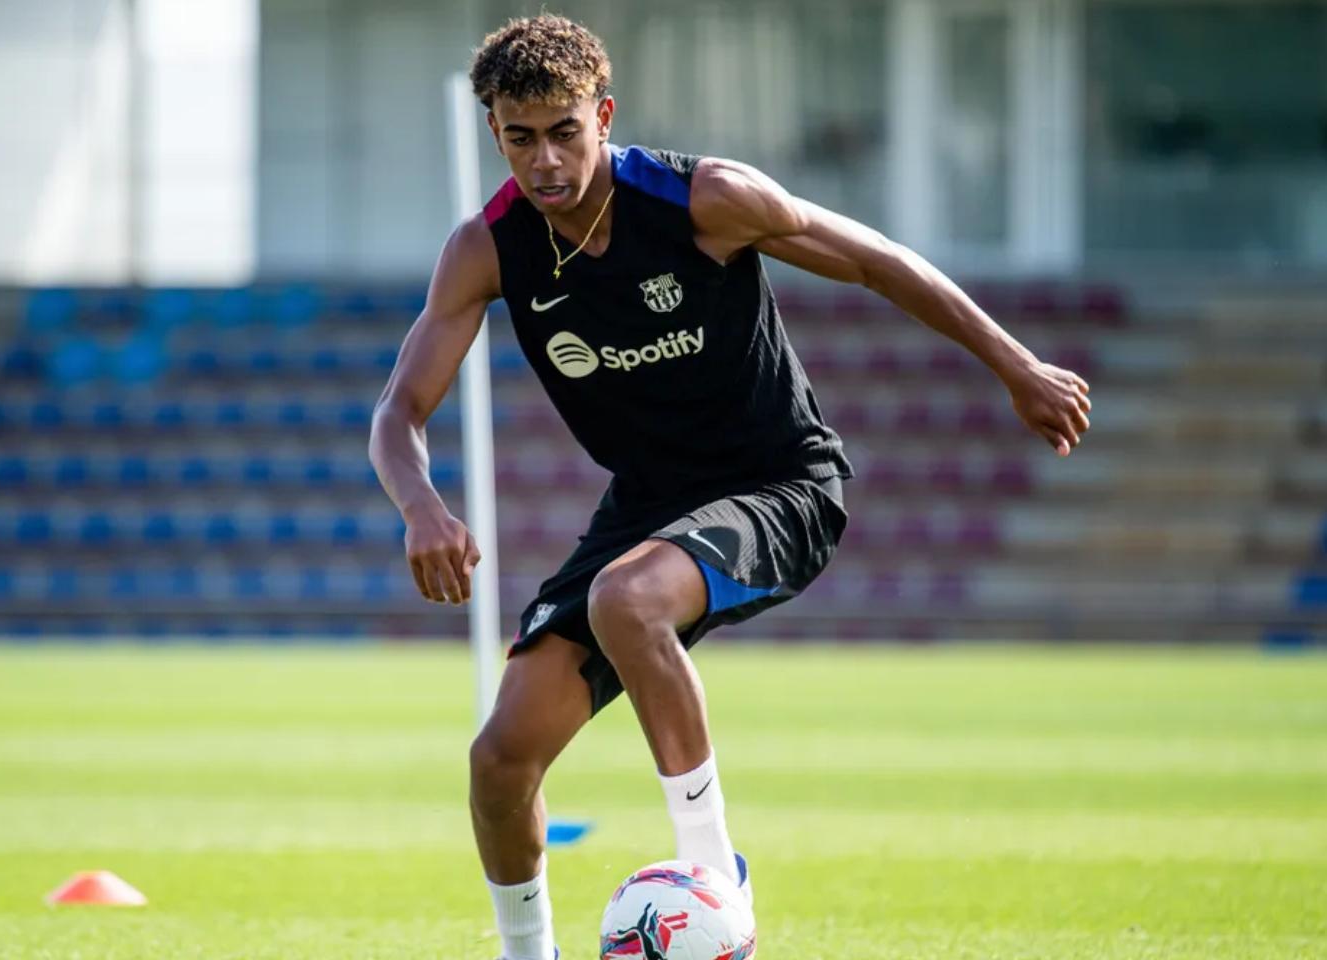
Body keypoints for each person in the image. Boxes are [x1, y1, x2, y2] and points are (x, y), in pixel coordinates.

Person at [368, 14, 1092, 960]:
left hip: (782, 482)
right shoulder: (486, 249)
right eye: (519, 136)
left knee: (629, 600)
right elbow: (398, 413)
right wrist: (421, 504)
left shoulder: (704, 198)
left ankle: (714, 875)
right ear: (494, 132)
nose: (544, 160)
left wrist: (1017, 366)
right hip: (649, 503)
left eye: (564, 131)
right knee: (500, 760)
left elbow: (873, 260)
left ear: (604, 115)